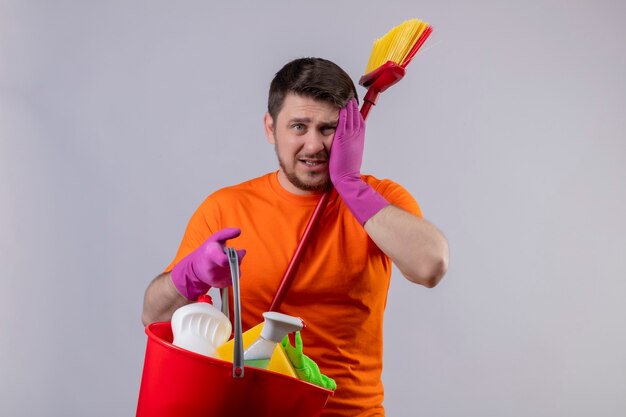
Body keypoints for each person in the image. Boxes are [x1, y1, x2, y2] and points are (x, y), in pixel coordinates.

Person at [142, 57, 449, 417]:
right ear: (271, 129)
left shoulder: (381, 202)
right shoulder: (225, 208)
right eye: (299, 126)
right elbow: (153, 317)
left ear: (352, 132)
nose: (314, 145)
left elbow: (431, 265)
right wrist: (188, 276)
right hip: (247, 409)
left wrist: (351, 187)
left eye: (329, 128)